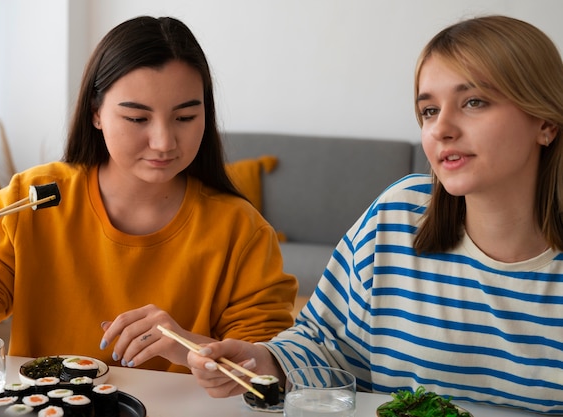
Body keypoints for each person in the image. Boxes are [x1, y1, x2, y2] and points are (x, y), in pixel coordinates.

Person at [187, 15, 563, 414]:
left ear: (545, 122)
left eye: (474, 102)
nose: (441, 129)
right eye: (430, 110)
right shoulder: (397, 216)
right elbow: (325, 344)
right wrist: (262, 362)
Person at [0, 16, 297, 373]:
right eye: (138, 119)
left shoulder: (240, 228)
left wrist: (186, 344)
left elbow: (267, 368)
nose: (163, 142)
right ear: (96, 114)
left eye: (185, 117)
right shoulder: (32, 199)